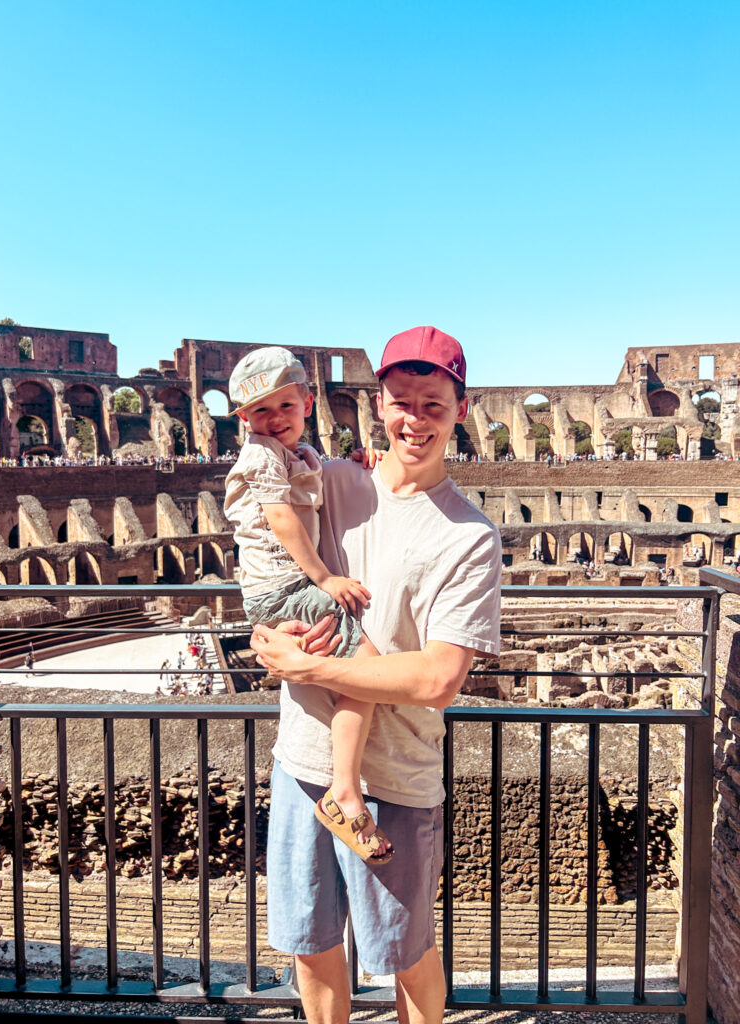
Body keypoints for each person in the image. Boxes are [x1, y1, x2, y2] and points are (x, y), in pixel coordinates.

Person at [249, 326, 502, 1023]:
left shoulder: (469, 535)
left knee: (406, 954)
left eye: (432, 403)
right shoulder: (329, 480)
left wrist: (312, 664)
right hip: (303, 762)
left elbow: (437, 680)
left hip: (397, 778)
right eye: (400, 401)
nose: (413, 419)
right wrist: (266, 630)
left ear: (460, 409)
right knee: (311, 945)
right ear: (375, 405)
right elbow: (263, 556)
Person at [224, 346, 391, 861]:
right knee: (368, 670)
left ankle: (343, 785)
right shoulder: (260, 455)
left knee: (356, 675)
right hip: (286, 585)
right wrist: (327, 578)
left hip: (281, 585)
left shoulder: (299, 456)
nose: (275, 420)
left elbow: (316, 484)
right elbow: (282, 519)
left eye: (286, 407)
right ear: (242, 420)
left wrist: (364, 461)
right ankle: (344, 793)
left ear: (308, 403)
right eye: (261, 412)